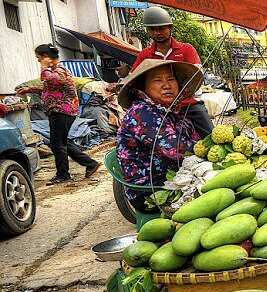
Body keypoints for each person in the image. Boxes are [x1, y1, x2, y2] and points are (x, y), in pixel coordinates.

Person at [116, 59, 203, 211]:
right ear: (143, 87)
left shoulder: (171, 111)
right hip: (151, 191)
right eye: (158, 80)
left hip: (177, 177)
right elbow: (177, 149)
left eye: (171, 79)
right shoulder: (141, 113)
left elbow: (195, 140)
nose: (167, 85)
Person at [16, 44, 99, 185]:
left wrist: (44, 66)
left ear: (46, 57)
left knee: (57, 144)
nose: (38, 61)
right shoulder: (55, 71)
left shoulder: (59, 71)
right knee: (61, 142)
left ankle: (63, 174)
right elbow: (47, 87)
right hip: (59, 111)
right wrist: (29, 89)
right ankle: (89, 163)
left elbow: (53, 79)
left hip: (62, 111)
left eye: (39, 58)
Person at [131, 6, 214, 135]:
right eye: (152, 29)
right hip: (157, 107)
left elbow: (197, 74)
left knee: (210, 134)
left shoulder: (186, 49)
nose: (157, 33)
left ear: (170, 28)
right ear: (147, 30)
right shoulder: (145, 55)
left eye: (161, 28)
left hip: (186, 103)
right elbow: (132, 78)